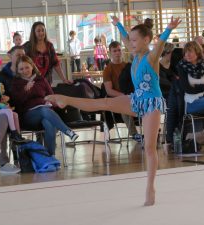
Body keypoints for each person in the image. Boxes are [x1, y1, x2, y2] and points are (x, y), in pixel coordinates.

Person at [45, 16, 182, 206]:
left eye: (134, 41)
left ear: (146, 40)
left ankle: (150, 187)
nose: (130, 44)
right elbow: (126, 37)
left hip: (151, 103)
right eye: (130, 41)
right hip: (136, 99)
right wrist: (118, 25)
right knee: (105, 103)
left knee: (150, 148)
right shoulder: (136, 54)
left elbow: (160, 45)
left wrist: (168, 28)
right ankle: (66, 100)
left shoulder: (151, 57)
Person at [11, 55, 79, 156]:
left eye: (27, 67)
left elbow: (51, 95)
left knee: (49, 124)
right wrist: (25, 90)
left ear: (32, 66)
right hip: (27, 116)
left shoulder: (41, 79)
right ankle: (68, 131)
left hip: (45, 111)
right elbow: (16, 102)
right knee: (43, 110)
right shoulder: (16, 83)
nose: (25, 70)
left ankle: (50, 155)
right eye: (21, 69)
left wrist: (51, 102)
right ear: (17, 70)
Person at [102, 41, 141, 141]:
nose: (117, 53)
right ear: (110, 53)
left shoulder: (128, 66)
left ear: (122, 51)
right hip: (118, 97)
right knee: (124, 104)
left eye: (119, 50)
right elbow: (109, 91)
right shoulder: (108, 69)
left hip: (132, 94)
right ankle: (134, 134)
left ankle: (150, 131)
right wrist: (124, 95)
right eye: (114, 51)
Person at [0, 62, 25, 147]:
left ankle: (17, 134)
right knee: (8, 112)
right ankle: (14, 133)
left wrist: (3, 99)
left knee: (14, 114)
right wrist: (1, 98)